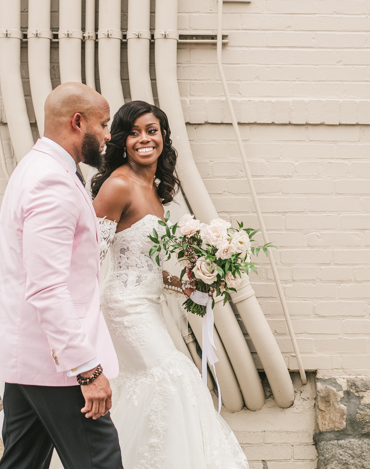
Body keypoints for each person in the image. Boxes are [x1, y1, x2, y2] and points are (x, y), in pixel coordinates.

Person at [91, 100, 249, 469]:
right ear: (121, 140)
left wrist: (193, 283)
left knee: (151, 387)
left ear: (163, 137)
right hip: (125, 307)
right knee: (171, 377)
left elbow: (145, 264)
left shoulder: (156, 192)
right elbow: (87, 257)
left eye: (151, 130)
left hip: (148, 303)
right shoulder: (118, 185)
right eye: (133, 132)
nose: (144, 139)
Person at [0, 82, 123, 469]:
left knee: (22, 463)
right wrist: (88, 370)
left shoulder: (37, 167)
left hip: (27, 357)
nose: (109, 135)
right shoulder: (51, 181)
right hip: (56, 365)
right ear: (78, 122)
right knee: (100, 461)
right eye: (104, 124)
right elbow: (47, 286)